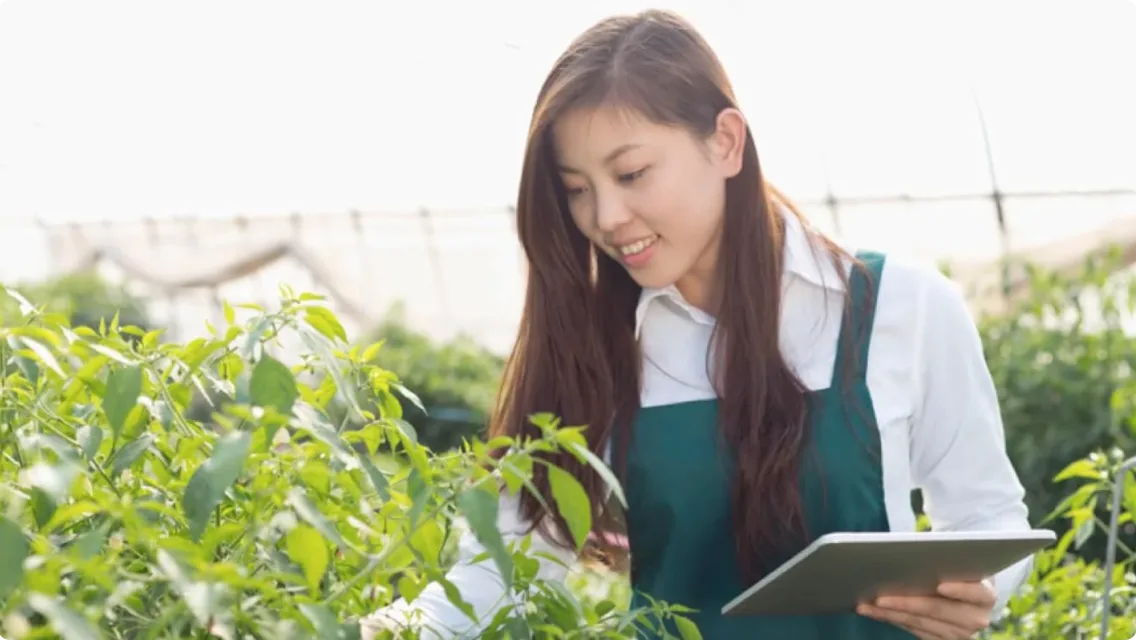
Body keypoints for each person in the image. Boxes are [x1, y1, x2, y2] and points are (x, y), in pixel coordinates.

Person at [361, 9, 1033, 640]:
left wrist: (979, 591)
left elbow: (989, 516)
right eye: (576, 189)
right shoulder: (592, 341)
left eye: (631, 173)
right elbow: (503, 570)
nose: (605, 216)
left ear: (726, 143)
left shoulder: (900, 307)